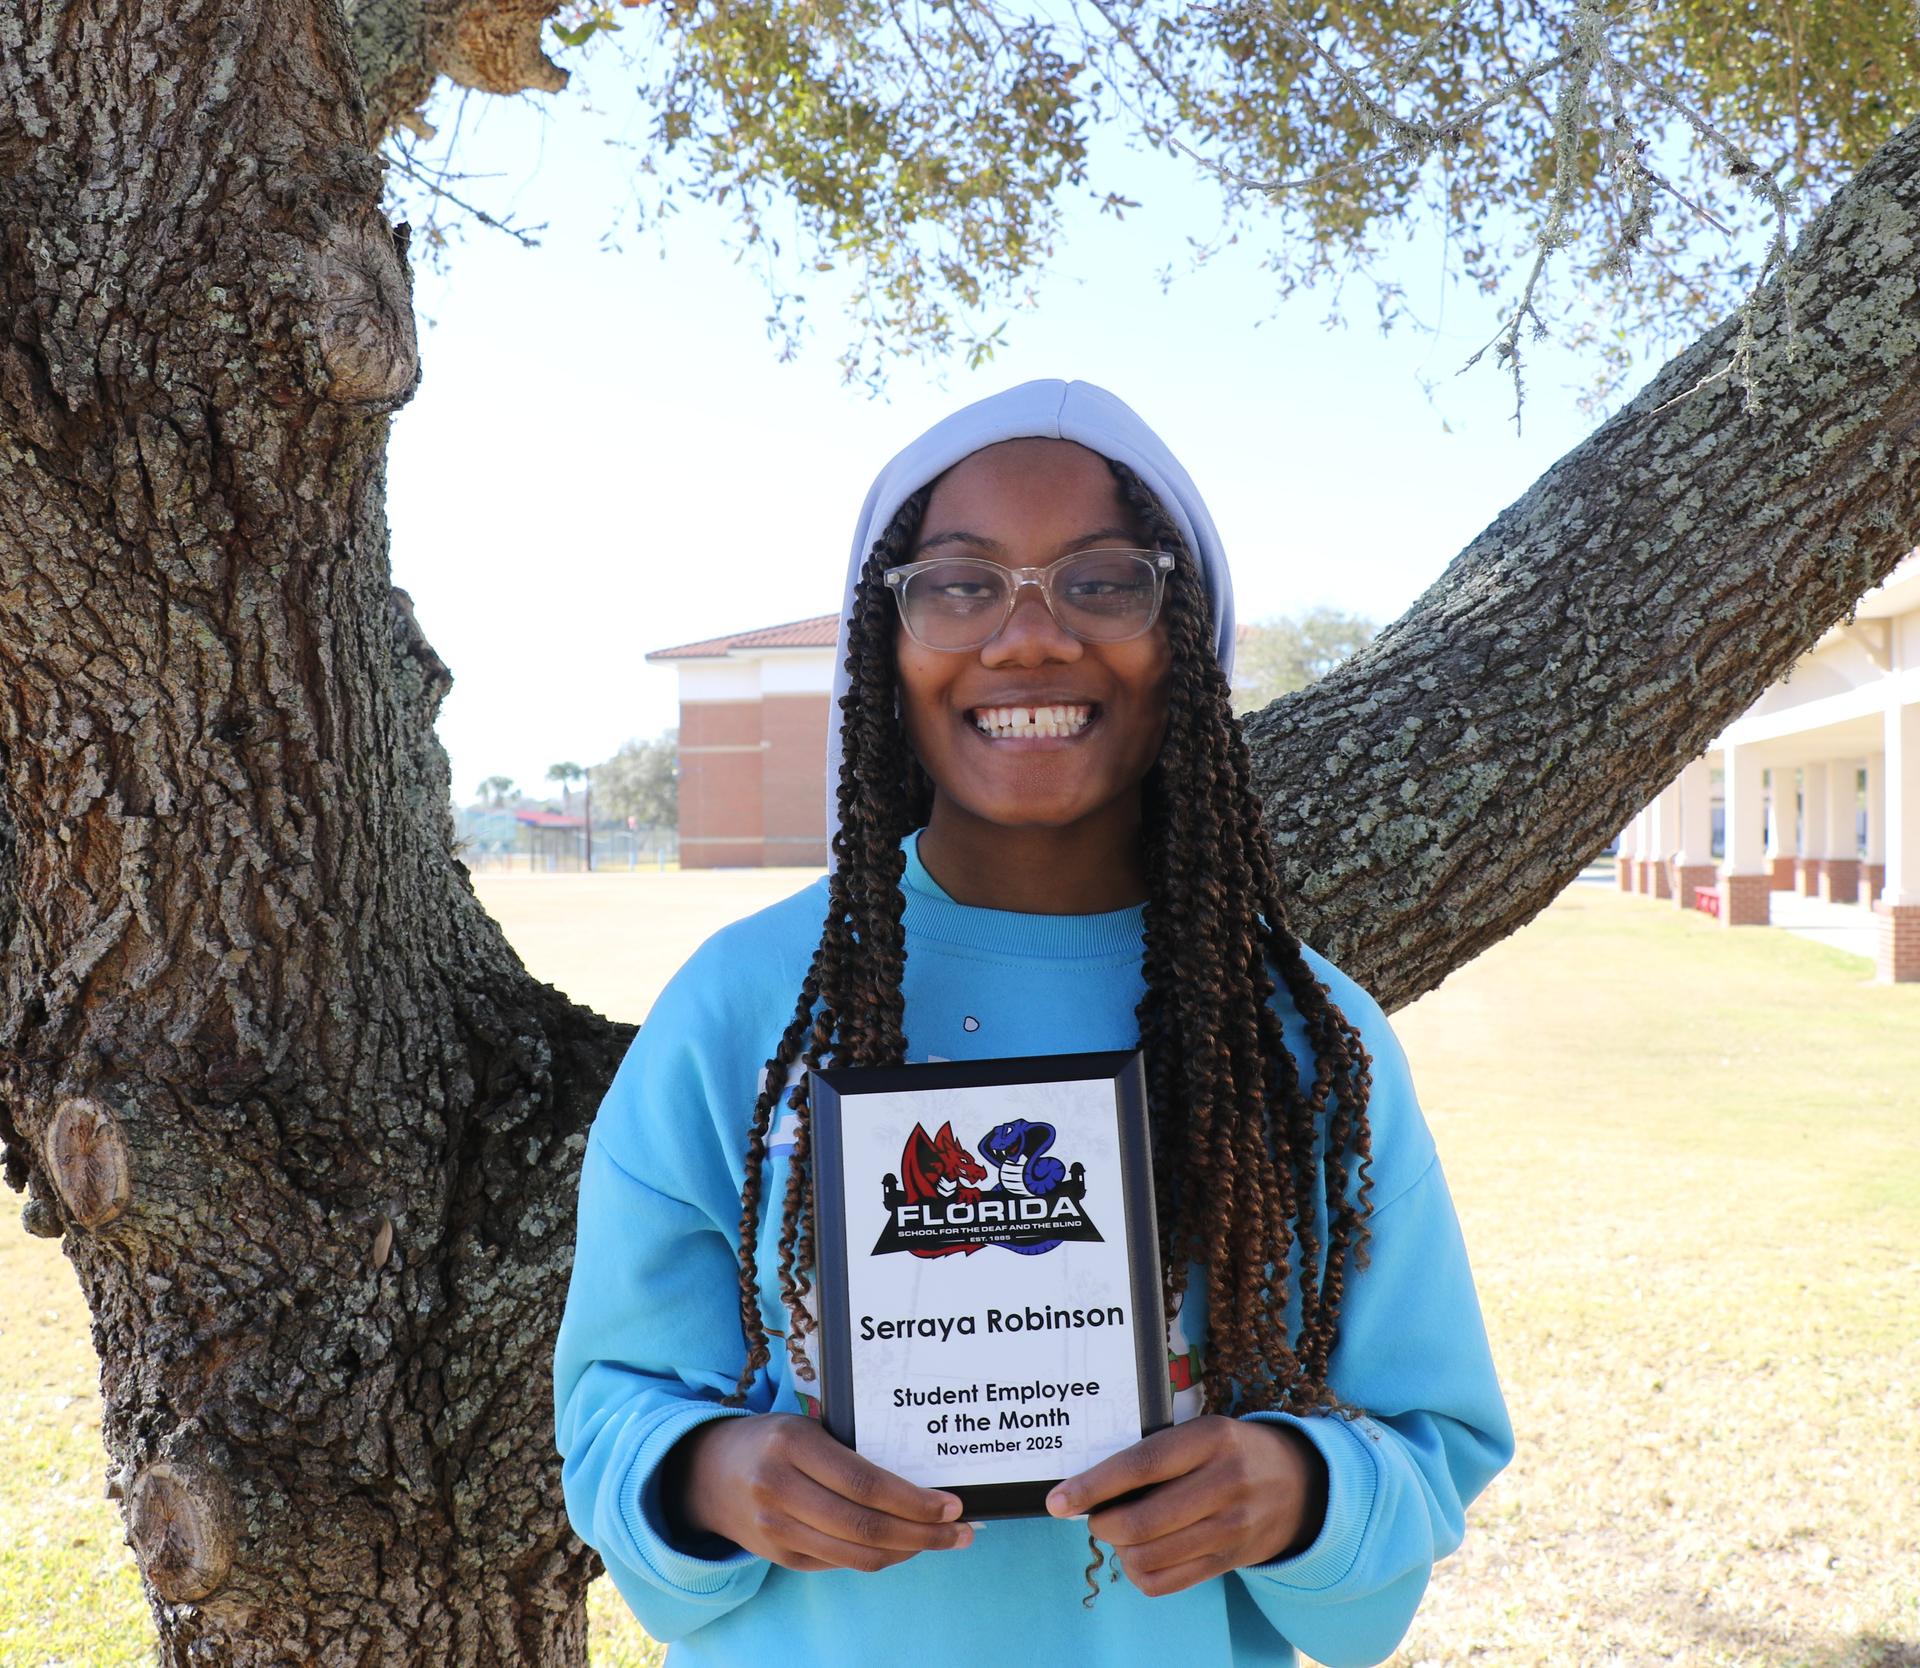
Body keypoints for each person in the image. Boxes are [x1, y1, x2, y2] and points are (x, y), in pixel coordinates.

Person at [553, 379, 1513, 1667]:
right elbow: (612, 1409)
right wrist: (716, 1478)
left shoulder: (1298, 1035)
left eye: (1104, 583)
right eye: (959, 585)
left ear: (1187, 638)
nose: (1029, 638)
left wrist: (1296, 1491)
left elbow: (1426, 1438)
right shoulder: (741, 1006)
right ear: (885, 646)